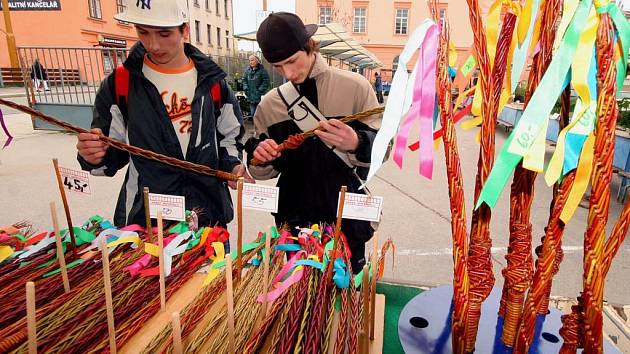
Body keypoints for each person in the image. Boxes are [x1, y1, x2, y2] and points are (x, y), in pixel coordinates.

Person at [76, 0, 251, 228]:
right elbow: (111, 153)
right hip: (147, 218)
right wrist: (93, 155)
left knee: (213, 264)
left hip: (208, 216)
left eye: (164, 33)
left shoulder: (212, 82)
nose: (154, 45)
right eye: (143, 32)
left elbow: (229, 138)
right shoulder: (120, 83)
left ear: (184, 29)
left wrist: (233, 166)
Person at [245, 12, 382, 272]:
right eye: (277, 67)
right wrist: (260, 156)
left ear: (309, 47)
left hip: (347, 219)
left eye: (292, 61)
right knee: (300, 300)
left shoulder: (355, 88)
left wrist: (356, 142)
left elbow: (383, 151)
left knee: (346, 297)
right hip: (295, 221)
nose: (287, 73)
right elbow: (260, 171)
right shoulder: (269, 105)